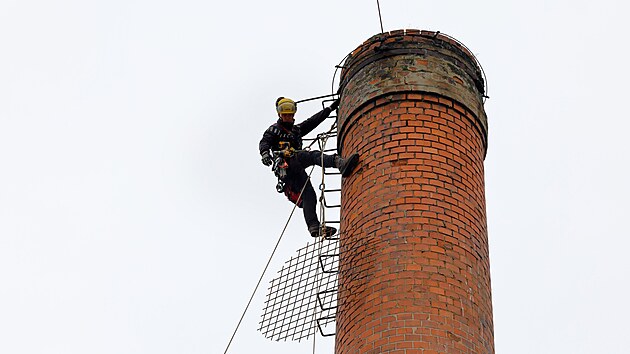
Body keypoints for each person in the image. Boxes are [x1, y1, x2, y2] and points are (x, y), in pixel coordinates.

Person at [259, 97, 359, 237]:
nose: (287, 117)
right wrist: (265, 154)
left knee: (309, 195)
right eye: (285, 114)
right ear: (279, 114)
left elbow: (313, 121)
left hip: (295, 167)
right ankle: (339, 163)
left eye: (290, 114)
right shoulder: (273, 130)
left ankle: (314, 227)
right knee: (312, 156)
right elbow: (265, 142)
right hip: (287, 165)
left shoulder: (296, 130)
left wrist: (329, 109)